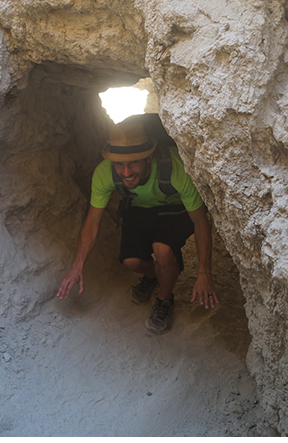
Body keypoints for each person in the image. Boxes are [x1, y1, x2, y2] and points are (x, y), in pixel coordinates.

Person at [56, 118, 218, 334]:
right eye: (120, 164)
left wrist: (204, 273)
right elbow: (92, 223)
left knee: (163, 249)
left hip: (177, 209)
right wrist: (77, 267)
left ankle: (164, 299)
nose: (126, 172)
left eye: (133, 162)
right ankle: (156, 275)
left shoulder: (176, 168)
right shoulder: (105, 173)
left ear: (148, 157)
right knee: (131, 262)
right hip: (140, 209)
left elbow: (200, 221)